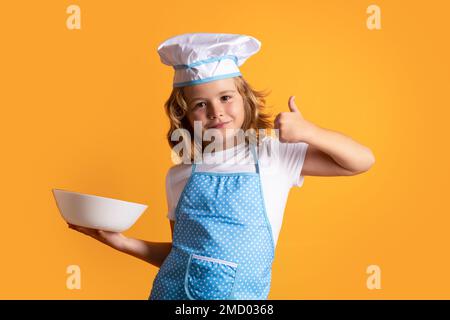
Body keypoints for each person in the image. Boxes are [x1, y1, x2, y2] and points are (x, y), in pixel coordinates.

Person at [68, 33, 375, 300]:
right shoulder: (179, 176)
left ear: (245, 99)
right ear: (185, 115)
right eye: (200, 104)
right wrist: (122, 243)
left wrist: (311, 133)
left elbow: (360, 161)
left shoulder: (273, 154)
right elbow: (184, 258)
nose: (216, 111)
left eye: (226, 97)